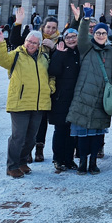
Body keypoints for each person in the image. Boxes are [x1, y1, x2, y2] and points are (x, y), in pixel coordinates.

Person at [0, 27, 54, 178]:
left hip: (39, 103)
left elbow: (52, 74)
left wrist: (50, 87)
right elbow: (1, 60)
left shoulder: (44, 57)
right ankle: (12, 166)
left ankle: (22, 162)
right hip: (20, 102)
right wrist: (1, 43)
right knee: (18, 137)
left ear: (39, 44)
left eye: (34, 42)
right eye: (29, 41)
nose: (31, 44)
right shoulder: (17, 55)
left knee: (31, 137)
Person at [66, 3, 112, 175]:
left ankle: (93, 161)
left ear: (107, 35)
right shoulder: (86, 48)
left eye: (104, 32)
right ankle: (82, 162)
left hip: (102, 96)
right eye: (98, 33)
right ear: (93, 34)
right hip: (84, 95)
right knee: (82, 133)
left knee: (97, 133)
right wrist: (85, 19)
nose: (101, 35)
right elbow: (81, 37)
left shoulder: (110, 51)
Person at [48, 28, 81, 172]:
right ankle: (58, 158)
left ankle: (69, 159)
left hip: (76, 97)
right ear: (64, 39)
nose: (71, 40)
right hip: (61, 97)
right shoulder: (59, 52)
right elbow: (53, 71)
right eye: (68, 37)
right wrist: (59, 55)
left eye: (74, 37)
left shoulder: (80, 53)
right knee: (61, 129)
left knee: (72, 131)